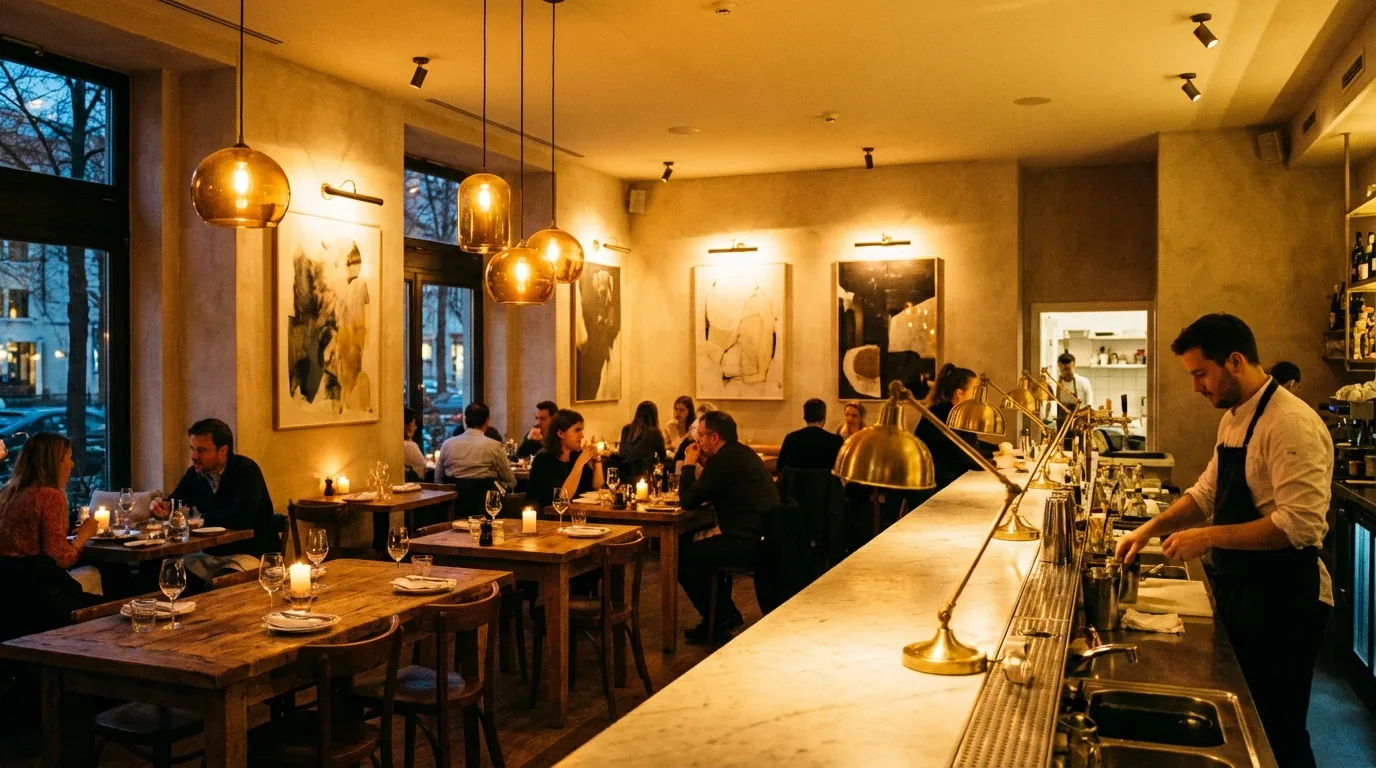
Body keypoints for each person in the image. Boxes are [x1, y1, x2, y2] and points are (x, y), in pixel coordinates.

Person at [1115, 314, 1331, 768]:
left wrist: (1207, 538)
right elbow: (1205, 494)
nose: (1196, 387)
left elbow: (1298, 526)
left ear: (1234, 362)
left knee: (1279, 730)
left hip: (1285, 598)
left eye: (1200, 373)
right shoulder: (1234, 419)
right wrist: (1148, 530)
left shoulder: (1290, 423)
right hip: (1244, 591)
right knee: (1249, 723)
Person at [678, 411, 780, 644]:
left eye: (702, 435)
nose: (698, 441)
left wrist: (689, 464)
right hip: (765, 536)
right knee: (693, 549)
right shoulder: (740, 454)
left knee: (682, 558)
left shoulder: (725, 460)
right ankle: (722, 615)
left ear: (714, 438)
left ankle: (721, 617)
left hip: (746, 543)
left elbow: (687, 500)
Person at [0, 433, 100, 638]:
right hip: (40, 595)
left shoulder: (10, 492)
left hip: (8, 591)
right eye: (68, 458)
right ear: (55, 462)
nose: (72, 465)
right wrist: (84, 535)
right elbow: (60, 558)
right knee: (119, 593)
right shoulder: (50, 496)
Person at [162, 418, 278, 559]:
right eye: (193, 449)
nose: (194, 457)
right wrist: (163, 506)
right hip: (212, 553)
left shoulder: (246, 471)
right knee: (166, 568)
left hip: (252, 554)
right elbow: (176, 501)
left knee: (202, 577)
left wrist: (199, 519)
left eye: (201, 450)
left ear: (223, 450)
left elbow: (239, 519)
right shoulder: (195, 473)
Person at [915, 364, 983, 491]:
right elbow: (968, 457)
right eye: (975, 389)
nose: (977, 396)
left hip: (946, 480)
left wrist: (997, 450)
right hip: (935, 488)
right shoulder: (944, 414)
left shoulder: (951, 411)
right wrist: (999, 462)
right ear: (959, 393)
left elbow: (969, 443)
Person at [528, 409, 605, 508]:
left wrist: (597, 462)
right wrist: (580, 463)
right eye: (577, 430)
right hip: (549, 517)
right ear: (560, 433)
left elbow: (597, 488)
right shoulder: (544, 459)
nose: (582, 435)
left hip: (578, 513)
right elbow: (562, 499)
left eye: (581, 430)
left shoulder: (575, 455)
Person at [436, 403, 516, 489]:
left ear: (465, 420)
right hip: (485, 500)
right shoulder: (494, 445)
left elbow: (438, 479)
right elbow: (510, 480)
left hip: (454, 500)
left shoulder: (447, 444)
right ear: (486, 421)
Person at [775, 398, 843, 473]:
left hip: (796, 484)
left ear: (805, 418)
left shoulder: (791, 438)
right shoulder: (836, 441)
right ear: (824, 418)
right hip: (824, 484)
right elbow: (840, 471)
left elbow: (780, 467)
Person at [618, 401, 668, 479]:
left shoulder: (626, 429)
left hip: (625, 473)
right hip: (645, 474)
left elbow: (621, 452)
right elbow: (662, 457)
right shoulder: (654, 432)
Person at [402, 408, 428, 482]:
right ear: (407, 427)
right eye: (414, 423)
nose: (415, 427)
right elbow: (423, 469)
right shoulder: (409, 446)